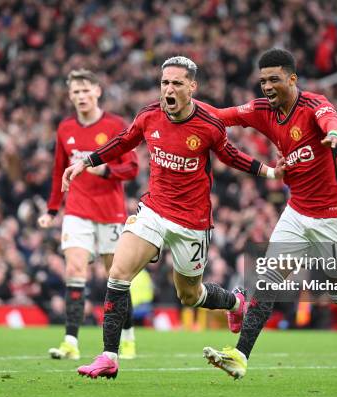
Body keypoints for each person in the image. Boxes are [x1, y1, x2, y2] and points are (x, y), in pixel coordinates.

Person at [61, 56, 285, 379]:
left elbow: (230, 155)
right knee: (119, 273)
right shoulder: (149, 115)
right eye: (165, 82)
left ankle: (234, 303)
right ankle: (110, 355)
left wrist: (267, 172)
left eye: (177, 83)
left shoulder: (208, 123)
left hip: (192, 222)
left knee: (189, 296)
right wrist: (86, 161)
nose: (169, 88)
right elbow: (124, 141)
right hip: (153, 210)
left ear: (192, 87)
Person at [201, 49, 337, 379]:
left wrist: (334, 134)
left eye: (274, 79)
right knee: (268, 279)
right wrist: (188, 109)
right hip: (297, 212)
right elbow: (222, 115)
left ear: (292, 79)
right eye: (262, 81)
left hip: (335, 217)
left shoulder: (313, 105)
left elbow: (330, 120)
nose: (266, 86)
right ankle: (240, 356)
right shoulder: (262, 110)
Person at [39, 69, 139, 361]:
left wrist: (106, 169)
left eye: (86, 91)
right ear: (70, 96)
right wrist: (52, 209)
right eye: (75, 92)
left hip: (110, 212)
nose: (81, 97)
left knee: (116, 277)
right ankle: (71, 341)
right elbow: (59, 170)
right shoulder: (65, 128)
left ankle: (129, 335)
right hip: (77, 210)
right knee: (74, 269)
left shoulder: (115, 125)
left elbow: (132, 167)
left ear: (97, 91)